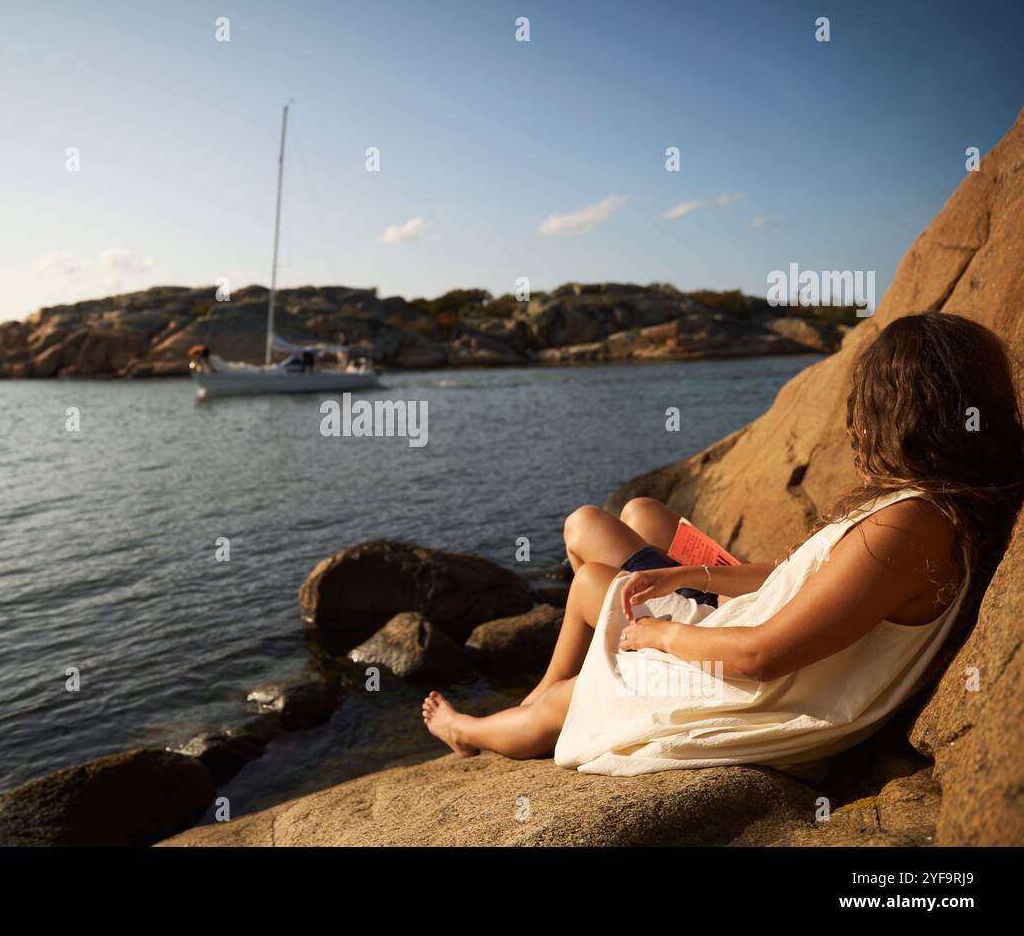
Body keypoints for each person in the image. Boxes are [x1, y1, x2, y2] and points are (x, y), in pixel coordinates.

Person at [423, 313, 1024, 773]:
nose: (855, 429)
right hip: (756, 662)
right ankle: (530, 702)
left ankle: (469, 731)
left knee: (569, 697)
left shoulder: (910, 523)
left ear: (905, 417)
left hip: (759, 692)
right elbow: (799, 582)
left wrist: (663, 635)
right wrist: (695, 579)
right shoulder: (939, 507)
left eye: (867, 411)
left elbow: (764, 656)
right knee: (594, 628)